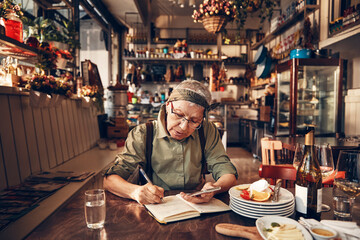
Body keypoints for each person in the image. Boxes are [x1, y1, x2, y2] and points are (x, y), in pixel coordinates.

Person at [103, 80, 237, 204]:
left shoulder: (207, 130)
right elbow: (109, 181)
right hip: (157, 204)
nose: (183, 127)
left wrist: (214, 188)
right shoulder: (143, 134)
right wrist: (134, 191)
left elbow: (226, 171)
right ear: (168, 106)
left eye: (194, 121)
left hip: (196, 204)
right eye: (178, 115)